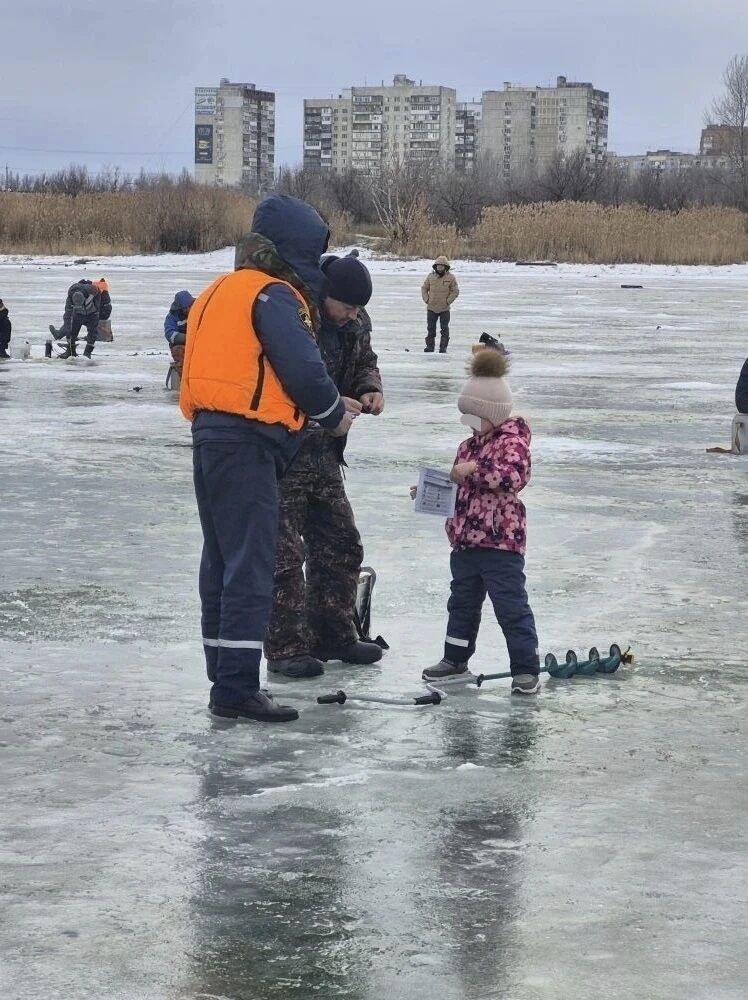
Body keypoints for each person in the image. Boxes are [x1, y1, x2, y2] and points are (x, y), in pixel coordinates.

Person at [180, 193, 357, 724]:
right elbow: (302, 369)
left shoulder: (217, 291)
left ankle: (223, 676)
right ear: (298, 249)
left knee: (221, 559)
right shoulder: (272, 295)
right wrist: (331, 411)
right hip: (247, 442)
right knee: (252, 563)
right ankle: (236, 688)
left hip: (209, 436)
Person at [265, 253, 385, 678]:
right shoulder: (297, 316)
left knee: (341, 542)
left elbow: (365, 362)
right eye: (347, 307)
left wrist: (369, 389)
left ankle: (334, 635)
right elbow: (291, 380)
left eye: (358, 309)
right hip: (287, 454)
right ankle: (285, 648)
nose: (353, 316)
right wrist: (331, 409)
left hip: (326, 457)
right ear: (326, 296)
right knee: (283, 555)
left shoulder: (353, 323)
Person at [421, 349, 541, 694]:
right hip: (464, 541)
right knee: (461, 603)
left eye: (474, 417)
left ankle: (525, 668)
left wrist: (474, 472)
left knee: (510, 606)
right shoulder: (468, 445)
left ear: (492, 415)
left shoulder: (512, 444)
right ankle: (455, 658)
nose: (469, 425)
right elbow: (460, 482)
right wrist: (432, 488)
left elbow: (512, 479)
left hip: (499, 542)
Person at [54, 278, 109, 359]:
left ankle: (87, 352)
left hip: (92, 313)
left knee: (93, 332)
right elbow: (67, 315)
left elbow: (99, 297)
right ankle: (70, 351)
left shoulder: (92, 290)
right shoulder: (70, 297)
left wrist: (96, 310)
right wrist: (67, 328)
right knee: (72, 331)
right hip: (78, 314)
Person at [421, 255, 459, 354]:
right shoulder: (430, 276)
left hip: (444, 309)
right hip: (431, 307)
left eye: (442, 266)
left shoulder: (451, 277)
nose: (440, 268)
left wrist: (448, 301)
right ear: (435, 267)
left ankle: (443, 347)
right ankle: (430, 346)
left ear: (446, 267)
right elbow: (424, 288)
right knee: (431, 328)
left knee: (444, 329)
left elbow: (455, 291)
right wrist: (426, 299)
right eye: (438, 266)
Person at [164, 290, 195, 379]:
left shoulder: (199, 310)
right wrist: (188, 338)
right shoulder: (172, 317)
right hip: (182, 344)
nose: (188, 309)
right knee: (179, 351)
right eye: (186, 308)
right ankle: (184, 381)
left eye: (190, 306)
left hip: (198, 343)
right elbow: (170, 334)